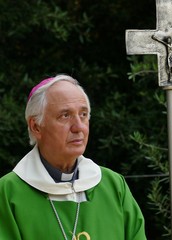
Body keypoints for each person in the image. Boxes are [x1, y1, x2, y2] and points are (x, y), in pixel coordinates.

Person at [0, 74, 146, 240]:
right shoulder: (8, 193)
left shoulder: (113, 186)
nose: (78, 127)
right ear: (36, 127)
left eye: (83, 114)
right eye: (65, 115)